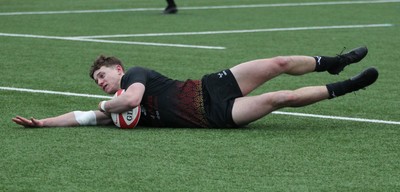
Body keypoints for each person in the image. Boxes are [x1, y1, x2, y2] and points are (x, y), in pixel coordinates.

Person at [12, 46, 378, 128]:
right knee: (279, 97)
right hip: (216, 116)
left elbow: (132, 99)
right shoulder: (119, 112)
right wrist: (43, 123)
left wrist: (109, 105)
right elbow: (82, 117)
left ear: (118, 70)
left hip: (210, 87)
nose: (102, 84)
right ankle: (349, 86)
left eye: (102, 77)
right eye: (99, 84)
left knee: (276, 65)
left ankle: (333, 63)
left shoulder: (132, 80)